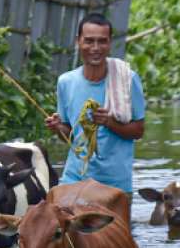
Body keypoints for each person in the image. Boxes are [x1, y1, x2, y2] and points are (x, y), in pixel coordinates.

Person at [45, 13, 146, 196]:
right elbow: (72, 135)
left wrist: (109, 122)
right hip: (74, 180)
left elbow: (139, 131)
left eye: (102, 41)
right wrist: (58, 127)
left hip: (115, 186)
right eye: (89, 41)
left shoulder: (127, 80)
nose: (95, 48)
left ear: (110, 43)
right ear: (78, 42)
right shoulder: (66, 82)